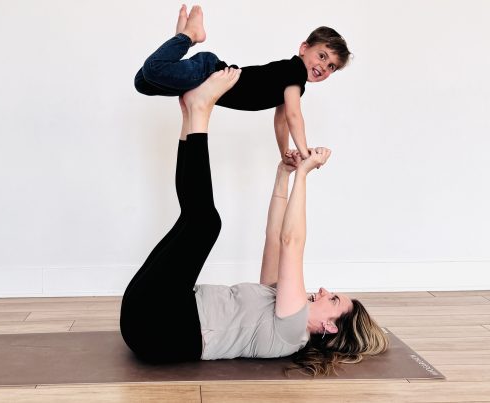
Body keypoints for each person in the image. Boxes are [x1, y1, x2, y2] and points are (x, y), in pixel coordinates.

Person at [120, 68, 388, 376]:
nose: (326, 290)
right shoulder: (280, 304)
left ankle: (200, 112)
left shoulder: (293, 329)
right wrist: (284, 174)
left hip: (161, 327)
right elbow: (275, 237)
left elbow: (292, 242)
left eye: (334, 299)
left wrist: (304, 174)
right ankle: (190, 116)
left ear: (328, 325)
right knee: (192, 219)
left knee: (205, 223)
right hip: (153, 314)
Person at [134, 4, 352, 162]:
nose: (324, 67)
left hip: (202, 83)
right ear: (304, 48)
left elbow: (282, 120)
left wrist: (285, 153)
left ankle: (181, 38)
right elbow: (295, 116)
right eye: (322, 56)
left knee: (143, 83)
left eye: (331, 66)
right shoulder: (294, 70)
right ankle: (189, 35)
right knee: (153, 70)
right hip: (209, 72)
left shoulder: (292, 83)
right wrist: (305, 154)